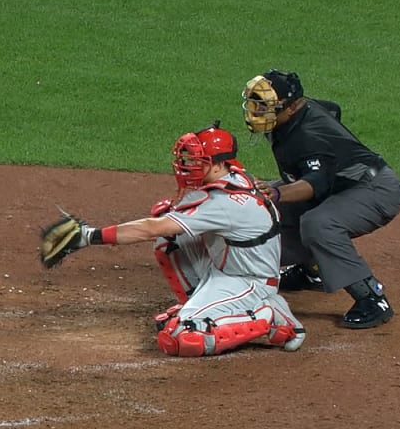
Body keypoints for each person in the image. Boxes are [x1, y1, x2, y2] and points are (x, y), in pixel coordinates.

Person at [42, 123, 305, 357]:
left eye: (196, 160)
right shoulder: (234, 177)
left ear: (217, 164)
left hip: (249, 282)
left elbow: (149, 229)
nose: (188, 165)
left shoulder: (225, 204)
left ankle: (270, 317)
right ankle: (201, 307)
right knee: (170, 236)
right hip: (226, 268)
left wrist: (89, 236)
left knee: (182, 337)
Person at [242, 69, 400, 329]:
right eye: (255, 102)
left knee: (318, 223)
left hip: (372, 189)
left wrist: (278, 192)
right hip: (340, 184)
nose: (257, 110)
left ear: (292, 108)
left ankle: (372, 299)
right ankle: (311, 270)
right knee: (263, 205)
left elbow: (314, 184)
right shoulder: (293, 114)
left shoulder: (309, 135)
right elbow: (333, 108)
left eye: (265, 105)